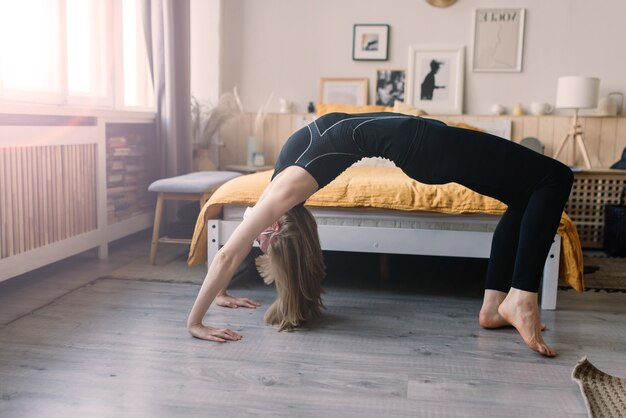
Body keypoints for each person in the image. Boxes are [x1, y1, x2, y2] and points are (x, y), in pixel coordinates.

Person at [186, 112, 573, 357]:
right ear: (272, 225)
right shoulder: (282, 193)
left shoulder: (282, 186)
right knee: (554, 177)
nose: (250, 237)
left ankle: (494, 307)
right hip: (424, 145)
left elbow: (226, 257)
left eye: (258, 244)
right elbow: (227, 256)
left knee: (526, 192)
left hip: (423, 142)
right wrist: (199, 318)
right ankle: (522, 296)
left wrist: (211, 304)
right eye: (260, 243)